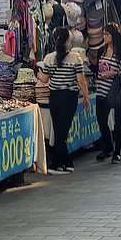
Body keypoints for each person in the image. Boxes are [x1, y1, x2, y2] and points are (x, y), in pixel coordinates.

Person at [38, 27, 90, 174]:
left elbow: (44, 79)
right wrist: (85, 96)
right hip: (70, 97)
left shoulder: (48, 58)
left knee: (59, 130)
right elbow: (81, 80)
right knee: (62, 131)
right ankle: (64, 163)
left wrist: (38, 70)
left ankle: (60, 163)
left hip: (55, 97)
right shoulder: (76, 58)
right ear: (68, 40)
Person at [93, 23, 121, 163]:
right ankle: (108, 147)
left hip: (117, 89)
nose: (104, 37)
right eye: (104, 34)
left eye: (107, 34)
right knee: (101, 120)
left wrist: (114, 72)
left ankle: (117, 151)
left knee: (119, 121)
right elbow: (98, 68)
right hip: (102, 89)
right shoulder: (101, 50)